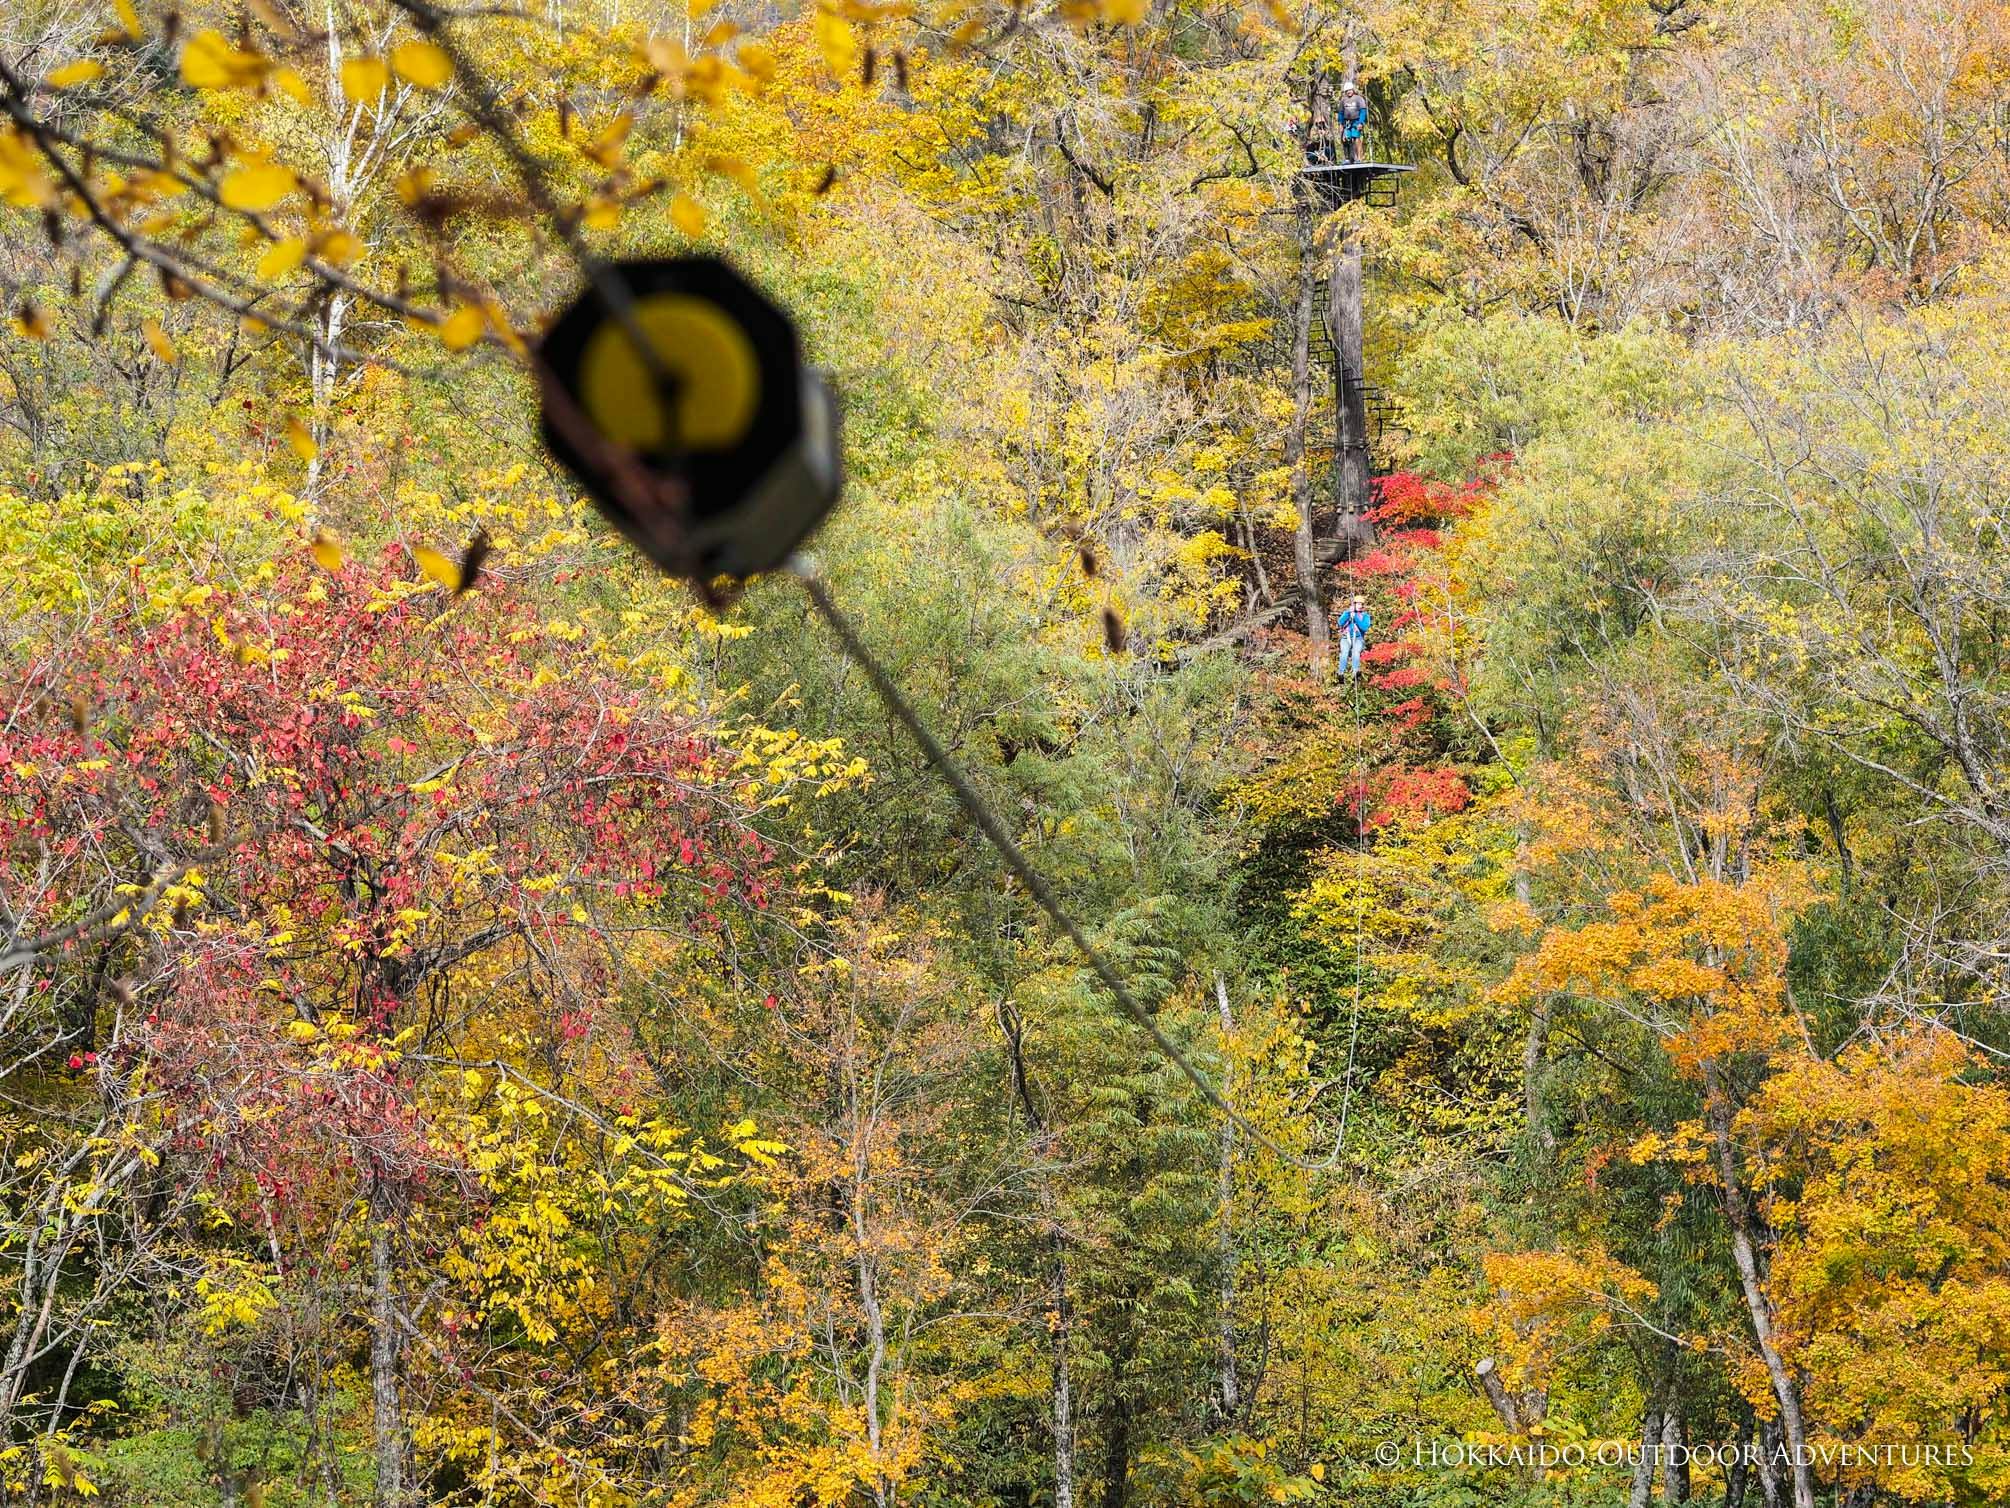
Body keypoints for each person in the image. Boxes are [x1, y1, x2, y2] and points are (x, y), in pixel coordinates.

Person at [1335, 593, 1371, 678]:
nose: (1360, 606)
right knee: (1344, 652)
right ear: (1354, 604)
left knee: (1356, 652)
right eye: (1358, 604)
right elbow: (1340, 622)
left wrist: (1355, 618)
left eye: (1361, 604)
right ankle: (1341, 672)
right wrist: (1348, 613)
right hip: (1346, 637)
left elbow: (1364, 627)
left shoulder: (1365, 616)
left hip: (1358, 638)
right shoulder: (1347, 613)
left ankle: (1355, 671)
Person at [1338, 80, 1369, 164]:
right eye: (1347, 91)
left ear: (1353, 90)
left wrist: (1361, 122)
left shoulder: (1359, 99)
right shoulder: (1343, 100)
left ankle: (1358, 158)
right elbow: (1340, 112)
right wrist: (1340, 123)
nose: (1349, 92)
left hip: (1356, 121)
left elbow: (1363, 111)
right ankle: (1347, 158)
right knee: (1345, 139)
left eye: (1350, 90)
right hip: (1347, 122)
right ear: (1345, 92)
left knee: (1356, 138)